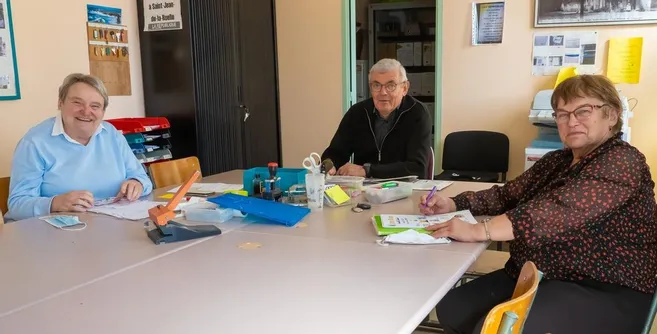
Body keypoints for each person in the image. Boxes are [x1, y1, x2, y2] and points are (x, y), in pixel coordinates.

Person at [419, 75, 656, 334]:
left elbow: (553, 213)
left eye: (583, 111)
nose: (571, 121)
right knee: (454, 307)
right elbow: (508, 194)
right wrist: (453, 202)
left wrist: (478, 230)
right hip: (538, 274)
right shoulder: (557, 161)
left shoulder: (622, 161)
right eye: (562, 114)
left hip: (603, 287)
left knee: (493, 329)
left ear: (611, 115)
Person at [4, 73, 153, 222]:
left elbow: (143, 179)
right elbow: (17, 205)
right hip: (53, 234)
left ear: (102, 112)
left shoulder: (112, 134)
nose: (86, 111)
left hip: (109, 226)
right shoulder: (34, 143)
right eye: (77, 103)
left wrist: (137, 183)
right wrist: (55, 203)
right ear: (60, 103)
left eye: (95, 106)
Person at [320, 58, 432, 179]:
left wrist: (367, 170)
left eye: (391, 85)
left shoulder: (418, 113)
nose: (382, 92)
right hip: (363, 190)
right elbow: (336, 152)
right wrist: (329, 166)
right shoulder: (358, 112)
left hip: (405, 189)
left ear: (404, 88)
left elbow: (417, 168)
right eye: (376, 85)